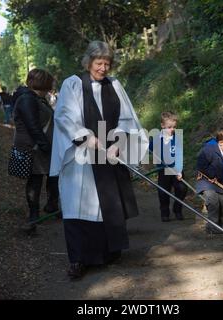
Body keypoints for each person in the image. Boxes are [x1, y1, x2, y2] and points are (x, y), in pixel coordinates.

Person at [50, 41, 148, 280]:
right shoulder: (72, 84)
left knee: (107, 205)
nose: (103, 68)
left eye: (107, 64)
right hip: (81, 157)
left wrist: (118, 144)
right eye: (99, 63)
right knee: (80, 207)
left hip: (109, 154)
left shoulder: (115, 85)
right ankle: (78, 260)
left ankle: (107, 254)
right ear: (88, 62)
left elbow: (127, 119)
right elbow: (64, 116)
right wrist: (88, 138)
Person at [12, 69, 60, 233]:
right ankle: (34, 214)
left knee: (52, 176)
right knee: (36, 179)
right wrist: (44, 145)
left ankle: (51, 206)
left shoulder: (36, 98)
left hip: (41, 145)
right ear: (44, 83)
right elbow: (32, 126)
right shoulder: (27, 99)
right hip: (34, 147)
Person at [195, 126, 223, 234]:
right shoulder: (209, 150)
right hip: (206, 181)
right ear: (221, 143)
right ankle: (212, 226)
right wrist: (210, 175)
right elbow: (201, 166)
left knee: (221, 202)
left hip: (220, 182)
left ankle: (219, 223)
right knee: (212, 201)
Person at [149, 111, 187, 222]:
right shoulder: (156, 138)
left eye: (174, 127)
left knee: (182, 189)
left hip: (176, 169)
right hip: (163, 170)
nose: (172, 129)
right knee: (163, 192)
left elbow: (179, 154)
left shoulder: (177, 137)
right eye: (169, 127)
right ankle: (164, 213)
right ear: (162, 125)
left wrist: (179, 170)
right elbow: (149, 150)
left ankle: (177, 210)